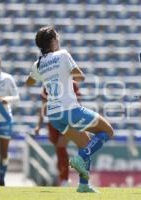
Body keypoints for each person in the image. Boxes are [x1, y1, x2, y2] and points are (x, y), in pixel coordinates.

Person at [25, 26, 114, 193]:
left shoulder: (38, 63)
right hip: (69, 109)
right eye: (57, 38)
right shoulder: (63, 55)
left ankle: (83, 185)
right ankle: (80, 158)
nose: (58, 40)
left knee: (85, 143)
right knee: (108, 131)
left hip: (54, 115)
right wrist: (65, 73)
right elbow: (80, 76)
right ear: (52, 41)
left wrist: (47, 75)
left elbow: (29, 82)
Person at [35, 81, 81, 186]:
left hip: (67, 121)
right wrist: (39, 125)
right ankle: (62, 178)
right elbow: (43, 106)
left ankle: (65, 179)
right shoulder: (48, 84)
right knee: (59, 151)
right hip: (53, 122)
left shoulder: (71, 83)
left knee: (61, 147)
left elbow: (78, 103)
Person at [0, 53, 20, 186]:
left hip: (5, 119)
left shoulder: (8, 79)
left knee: (4, 152)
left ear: (0, 65)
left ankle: (2, 177)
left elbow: (17, 99)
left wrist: (6, 100)